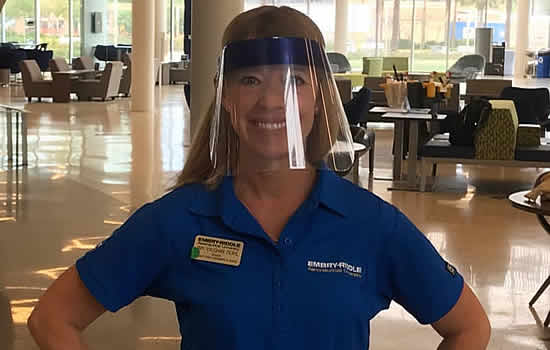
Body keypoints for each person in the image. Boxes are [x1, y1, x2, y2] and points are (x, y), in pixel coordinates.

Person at [27, 6, 490, 350]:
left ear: (318, 99)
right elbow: (53, 318)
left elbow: (470, 327)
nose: (272, 102)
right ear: (225, 96)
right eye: (250, 81)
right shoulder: (178, 221)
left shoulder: (371, 226)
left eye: (294, 83)